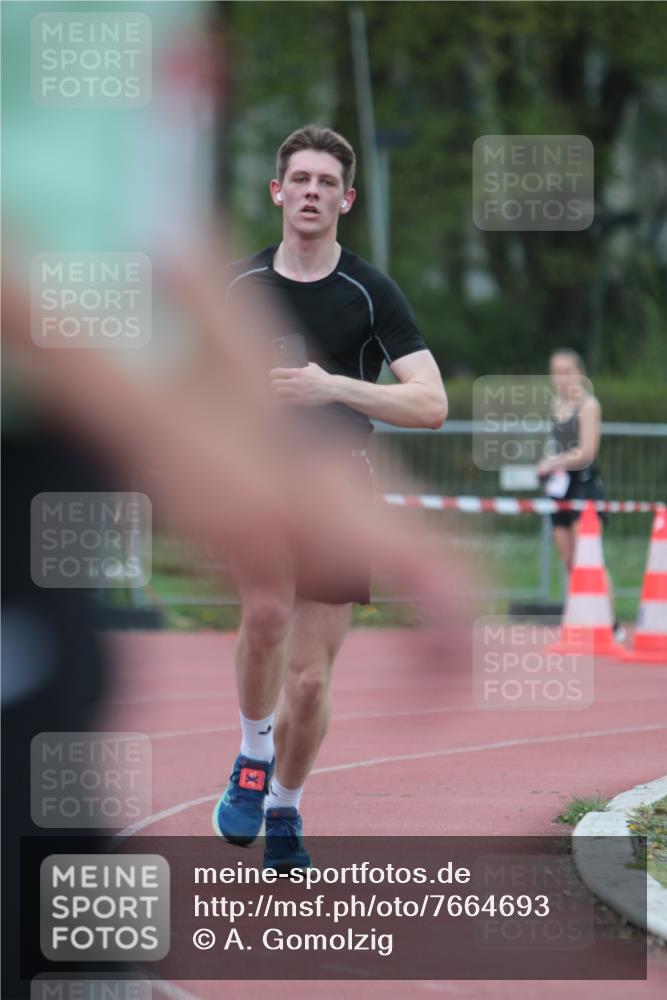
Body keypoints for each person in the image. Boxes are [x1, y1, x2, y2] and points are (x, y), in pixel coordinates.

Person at [213, 124, 448, 872]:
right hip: (260, 481)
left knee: (310, 683)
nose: (311, 192)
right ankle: (253, 757)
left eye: (326, 183)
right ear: (276, 191)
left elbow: (432, 404)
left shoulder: (370, 293)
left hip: (340, 488)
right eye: (300, 179)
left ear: (345, 200)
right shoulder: (236, 286)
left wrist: (334, 388)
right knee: (265, 611)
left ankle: (285, 807)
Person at [536, 348, 623, 639]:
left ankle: (611, 625)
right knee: (570, 560)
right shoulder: (555, 404)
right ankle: (580, 620)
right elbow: (555, 445)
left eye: (567, 372)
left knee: (591, 559)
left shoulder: (589, 405)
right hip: (560, 489)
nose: (561, 379)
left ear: (580, 374)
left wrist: (554, 462)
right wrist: (545, 464)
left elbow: (586, 452)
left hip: (584, 487)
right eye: (556, 372)